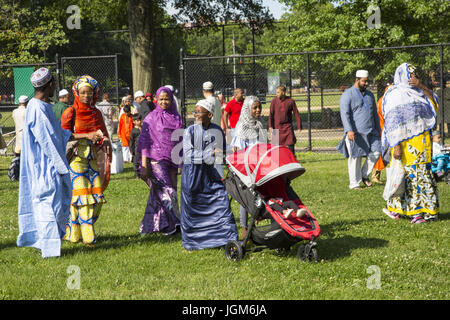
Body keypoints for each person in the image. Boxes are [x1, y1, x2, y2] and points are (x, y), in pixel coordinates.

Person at [17, 68, 72, 258]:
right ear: (50, 85)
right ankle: (49, 250)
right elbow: (48, 141)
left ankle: (49, 245)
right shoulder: (37, 109)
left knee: (53, 205)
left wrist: (73, 137)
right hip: (44, 166)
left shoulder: (41, 106)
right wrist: (62, 165)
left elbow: (55, 134)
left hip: (49, 165)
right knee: (47, 207)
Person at [381, 63, 439, 224]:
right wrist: (396, 146)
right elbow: (392, 123)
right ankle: (408, 211)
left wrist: (420, 86)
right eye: (411, 75)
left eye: (416, 75)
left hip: (423, 144)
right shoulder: (394, 94)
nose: (414, 78)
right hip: (404, 146)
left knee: (423, 177)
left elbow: (433, 102)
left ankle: (427, 211)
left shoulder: (419, 92)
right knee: (405, 178)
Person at [180, 98, 238, 251]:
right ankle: (194, 243)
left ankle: (227, 238)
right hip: (193, 176)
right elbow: (188, 155)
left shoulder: (217, 130)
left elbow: (221, 149)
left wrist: (230, 150)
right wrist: (210, 152)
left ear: (210, 114)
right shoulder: (190, 131)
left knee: (221, 202)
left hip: (210, 175)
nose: (196, 115)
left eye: (199, 112)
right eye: (195, 112)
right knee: (193, 210)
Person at [60, 75, 112, 246]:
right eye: (83, 93)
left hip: (93, 159)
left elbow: (104, 133)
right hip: (75, 158)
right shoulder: (70, 112)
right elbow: (63, 135)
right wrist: (86, 135)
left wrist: (103, 139)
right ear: (76, 93)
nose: (86, 96)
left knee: (95, 198)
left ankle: (73, 231)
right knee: (81, 196)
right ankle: (88, 235)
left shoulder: (96, 112)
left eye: (89, 93)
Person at [137, 86, 182, 235]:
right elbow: (144, 142)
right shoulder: (151, 118)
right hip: (156, 160)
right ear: (157, 99)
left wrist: (180, 162)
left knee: (164, 192)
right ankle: (177, 222)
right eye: (161, 99)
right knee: (167, 191)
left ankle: (154, 225)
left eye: (167, 99)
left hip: (172, 160)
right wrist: (144, 164)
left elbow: (180, 140)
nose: (164, 102)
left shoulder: (176, 117)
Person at [337, 70, 381, 190]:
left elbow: (375, 115)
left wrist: (379, 130)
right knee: (355, 158)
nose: (366, 83)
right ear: (357, 80)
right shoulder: (347, 95)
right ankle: (354, 183)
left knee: (376, 152)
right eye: (364, 81)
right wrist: (349, 130)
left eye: (367, 81)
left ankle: (363, 175)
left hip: (372, 132)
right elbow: (344, 114)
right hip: (355, 133)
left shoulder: (370, 95)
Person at [230, 96, 267, 239]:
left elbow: (265, 146)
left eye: (259, 107)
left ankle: (257, 225)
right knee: (246, 198)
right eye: (255, 108)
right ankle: (245, 228)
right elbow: (239, 153)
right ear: (248, 109)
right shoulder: (242, 126)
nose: (258, 110)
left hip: (260, 167)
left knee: (261, 196)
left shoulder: (260, 123)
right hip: (246, 169)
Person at [268, 85, 302, 156]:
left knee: (291, 144)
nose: (276, 94)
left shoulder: (290, 101)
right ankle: (275, 162)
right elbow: (271, 114)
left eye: (278, 92)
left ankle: (292, 160)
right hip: (276, 127)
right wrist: (270, 126)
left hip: (288, 127)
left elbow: (296, 114)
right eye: (276, 92)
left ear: (283, 92)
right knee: (275, 148)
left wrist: (299, 126)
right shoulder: (274, 101)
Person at [371, 83, 393, 184]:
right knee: (382, 153)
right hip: (383, 130)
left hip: (388, 130)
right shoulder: (383, 101)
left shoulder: (388, 101)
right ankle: (375, 175)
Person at [130, 113, 142, 179]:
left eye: (139, 120)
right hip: (136, 148)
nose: (139, 122)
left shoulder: (143, 128)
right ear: (134, 121)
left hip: (143, 148)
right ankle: (136, 174)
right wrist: (131, 150)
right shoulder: (133, 131)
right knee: (136, 161)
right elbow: (131, 141)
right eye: (137, 120)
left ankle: (142, 172)